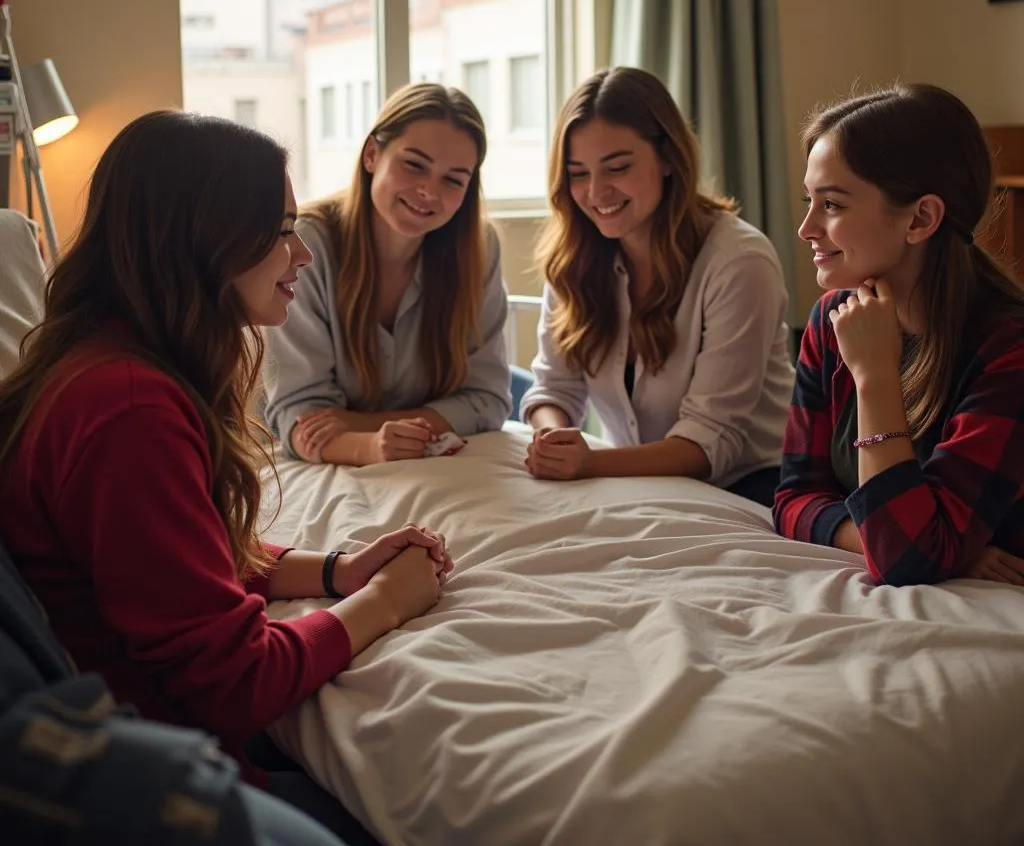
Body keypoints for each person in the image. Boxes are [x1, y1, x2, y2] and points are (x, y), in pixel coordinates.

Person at [0, 111, 454, 837]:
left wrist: (339, 570)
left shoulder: (100, 366)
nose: (300, 255)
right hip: (176, 788)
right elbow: (236, 683)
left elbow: (178, 565)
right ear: (203, 240)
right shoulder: (128, 410)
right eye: (278, 230)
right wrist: (387, 603)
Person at [774, 84, 1024, 586]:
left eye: (833, 205)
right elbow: (792, 499)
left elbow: (910, 562)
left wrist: (874, 377)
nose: (805, 228)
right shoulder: (831, 320)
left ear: (921, 218)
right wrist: (908, 542)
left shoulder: (1009, 352)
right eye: (809, 201)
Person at [520, 67, 794, 506]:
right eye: (577, 173)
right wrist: (551, 436)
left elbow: (710, 441)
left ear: (668, 158)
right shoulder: (574, 258)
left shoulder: (740, 262)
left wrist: (591, 464)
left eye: (618, 167)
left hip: (751, 486)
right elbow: (554, 388)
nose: (595, 192)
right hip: (636, 483)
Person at [263, 83, 511, 466]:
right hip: (336, 467)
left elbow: (488, 400)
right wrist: (370, 445)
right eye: (414, 164)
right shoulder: (306, 245)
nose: (429, 190)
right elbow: (299, 418)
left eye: (453, 179)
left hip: (437, 469)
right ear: (372, 154)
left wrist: (364, 423)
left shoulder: (479, 248)